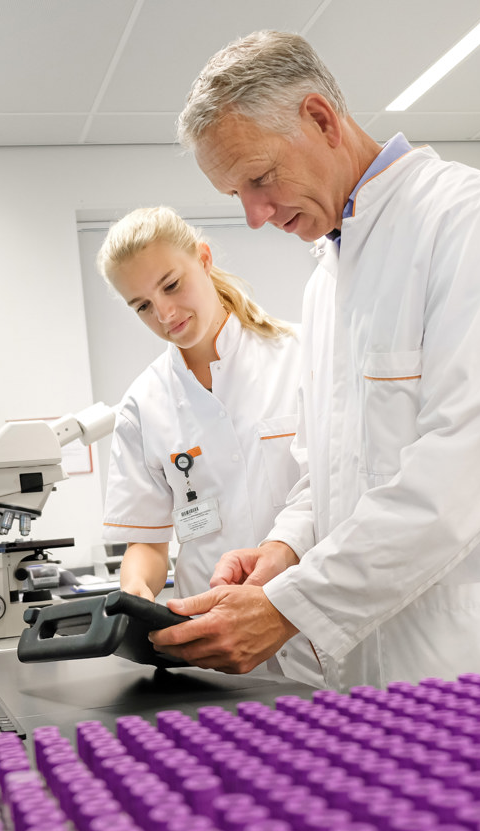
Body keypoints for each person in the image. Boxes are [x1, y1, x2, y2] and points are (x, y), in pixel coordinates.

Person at [150, 30, 480, 713]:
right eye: (237, 193)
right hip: (382, 664)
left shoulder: (469, 221)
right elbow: (327, 467)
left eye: (260, 179)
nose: (256, 215)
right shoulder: (330, 276)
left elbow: (458, 472)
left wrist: (290, 607)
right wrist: (284, 549)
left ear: (321, 119)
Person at [97, 206, 323, 687]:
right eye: (141, 305)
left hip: (314, 625)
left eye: (171, 285)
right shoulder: (143, 404)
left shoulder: (302, 356)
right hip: (215, 648)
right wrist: (136, 593)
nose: (165, 314)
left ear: (203, 258)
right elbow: (149, 541)